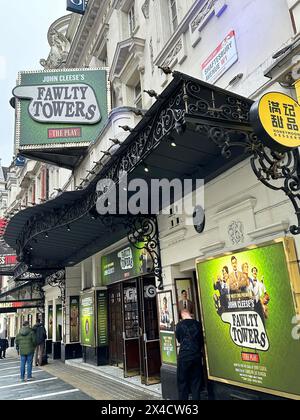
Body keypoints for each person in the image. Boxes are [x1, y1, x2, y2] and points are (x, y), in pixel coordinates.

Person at [175, 309, 204, 400]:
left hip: (184, 356)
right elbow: (201, 340)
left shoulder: (179, 325)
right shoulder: (198, 324)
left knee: (182, 382)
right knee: (196, 382)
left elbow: (179, 340)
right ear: (190, 314)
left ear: (182, 316)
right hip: (196, 355)